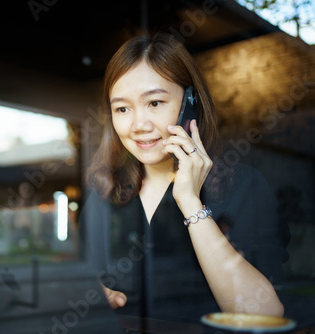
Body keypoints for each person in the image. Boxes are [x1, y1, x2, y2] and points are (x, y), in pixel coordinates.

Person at [85, 32, 288, 322]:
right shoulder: (105, 192)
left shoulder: (242, 186)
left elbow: (264, 313)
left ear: (189, 104)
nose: (138, 125)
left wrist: (191, 203)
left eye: (155, 103)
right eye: (122, 109)